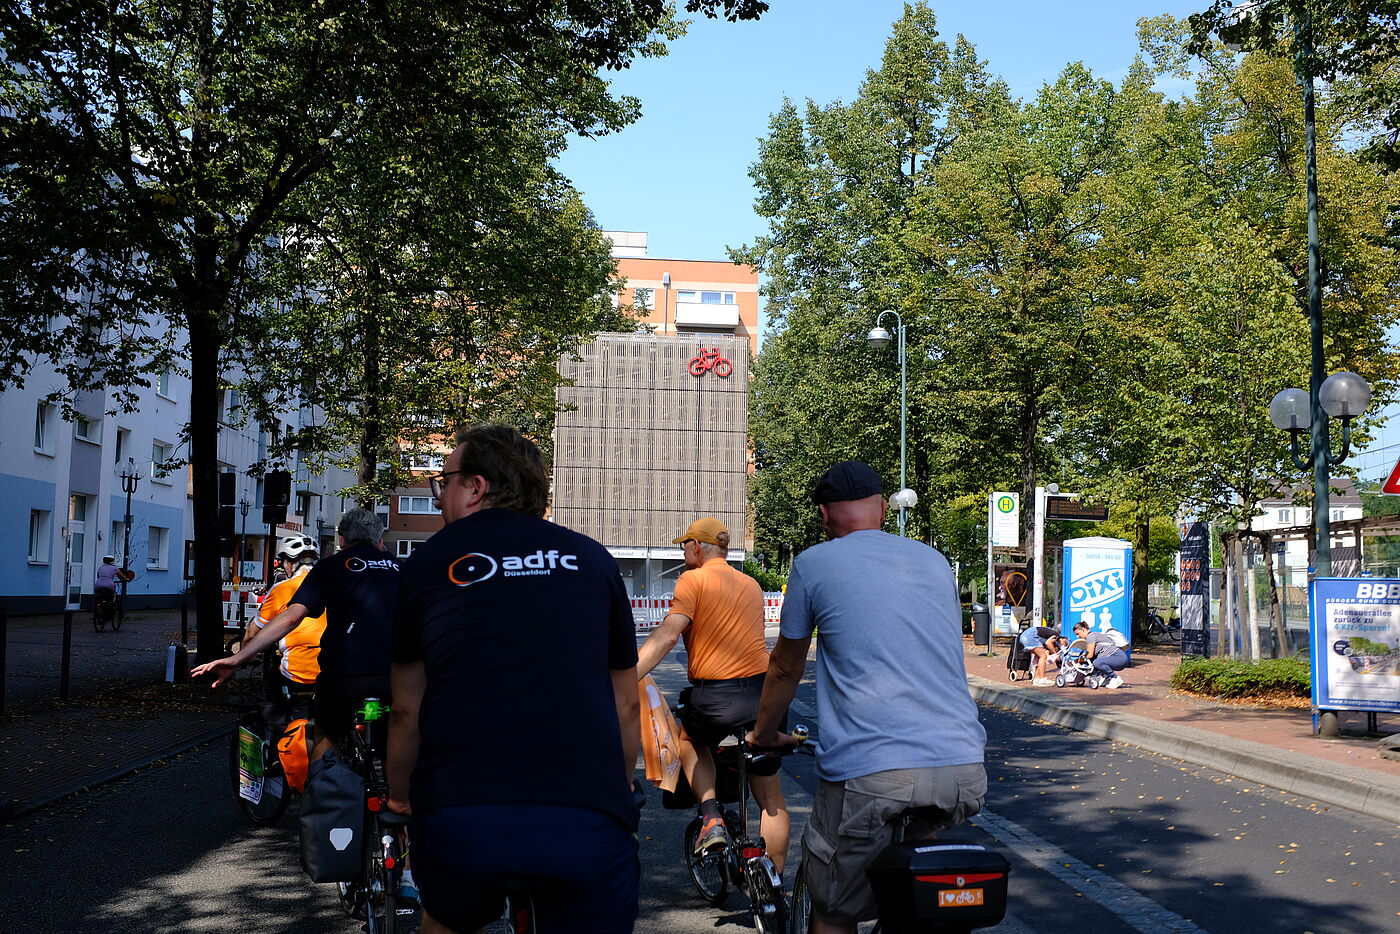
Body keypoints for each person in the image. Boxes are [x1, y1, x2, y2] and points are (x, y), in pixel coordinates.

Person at [386, 424, 641, 934]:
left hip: (461, 816)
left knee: (446, 920)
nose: (438, 497)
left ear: (476, 487)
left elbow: (407, 709)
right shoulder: (592, 560)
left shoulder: (426, 563)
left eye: (445, 482)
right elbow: (626, 702)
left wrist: (399, 797)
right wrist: (619, 790)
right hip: (583, 818)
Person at [747, 460, 987, 934]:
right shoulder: (934, 561)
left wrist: (764, 733)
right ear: (882, 508)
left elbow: (786, 667)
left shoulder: (812, 564)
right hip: (963, 768)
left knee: (835, 912)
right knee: (918, 890)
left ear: (823, 514)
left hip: (872, 774)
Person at [634, 516, 790, 875]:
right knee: (770, 798)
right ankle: (773, 888)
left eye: (684, 545)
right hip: (764, 696)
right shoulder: (751, 584)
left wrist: (628, 677)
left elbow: (669, 635)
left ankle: (711, 816)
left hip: (716, 698)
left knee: (689, 740)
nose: (683, 552)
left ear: (696, 547)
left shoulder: (693, 579)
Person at [193, 509, 401, 756]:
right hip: (395, 675)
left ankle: (318, 774)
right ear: (380, 541)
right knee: (394, 746)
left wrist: (237, 659)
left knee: (327, 737)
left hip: (344, 674)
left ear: (343, 540)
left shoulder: (330, 567)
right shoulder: (403, 569)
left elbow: (291, 618)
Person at [1073, 620, 1128, 688]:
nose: (1077, 636)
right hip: (1120, 658)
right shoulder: (1093, 635)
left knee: (1097, 662)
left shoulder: (1090, 637)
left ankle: (1115, 678)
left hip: (1119, 658)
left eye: (1078, 634)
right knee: (1094, 661)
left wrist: (1077, 661)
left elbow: (1089, 655)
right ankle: (1107, 677)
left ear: (1083, 630)